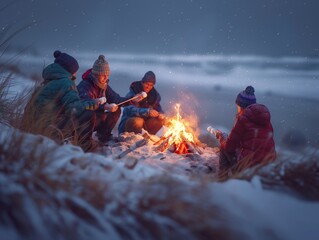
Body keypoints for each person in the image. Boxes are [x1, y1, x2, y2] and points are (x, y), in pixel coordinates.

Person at [21, 50, 96, 152]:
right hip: (49, 128)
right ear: (71, 70)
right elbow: (74, 109)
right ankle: (86, 147)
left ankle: (71, 141)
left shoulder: (48, 81)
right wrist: (92, 104)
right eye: (76, 70)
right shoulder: (66, 82)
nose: (76, 73)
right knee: (88, 114)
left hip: (34, 126)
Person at [216, 86, 276, 176]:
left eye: (238, 106)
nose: (237, 109)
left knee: (224, 149)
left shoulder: (243, 118)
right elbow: (253, 141)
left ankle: (222, 179)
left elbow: (229, 146)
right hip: (268, 166)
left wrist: (221, 139)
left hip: (248, 167)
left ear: (241, 106)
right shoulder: (266, 120)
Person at [77, 55, 135, 143]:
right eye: (103, 75)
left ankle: (104, 135)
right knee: (90, 113)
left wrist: (132, 99)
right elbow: (85, 104)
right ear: (96, 74)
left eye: (107, 75)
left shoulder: (104, 86)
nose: (106, 78)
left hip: (99, 118)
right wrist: (104, 107)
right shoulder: (85, 86)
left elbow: (117, 99)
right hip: (84, 121)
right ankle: (84, 140)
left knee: (116, 109)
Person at [118, 71, 164, 135]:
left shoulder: (154, 95)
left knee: (157, 122)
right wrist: (146, 111)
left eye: (151, 85)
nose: (148, 87)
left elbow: (158, 109)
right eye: (147, 84)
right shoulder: (134, 91)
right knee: (138, 121)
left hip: (145, 123)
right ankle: (131, 138)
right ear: (142, 82)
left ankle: (147, 137)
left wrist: (160, 114)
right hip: (129, 123)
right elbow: (128, 109)